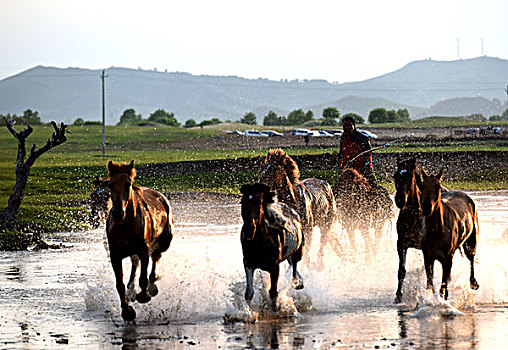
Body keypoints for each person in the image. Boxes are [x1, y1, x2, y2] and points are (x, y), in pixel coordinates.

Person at [338, 116, 378, 186]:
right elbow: (341, 153)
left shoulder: (362, 138)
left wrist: (359, 160)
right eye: (345, 126)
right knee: (339, 184)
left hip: (363, 165)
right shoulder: (343, 138)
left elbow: (368, 153)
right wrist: (342, 165)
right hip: (348, 166)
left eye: (349, 125)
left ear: (354, 125)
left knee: (372, 184)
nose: (347, 127)